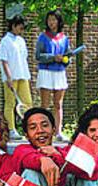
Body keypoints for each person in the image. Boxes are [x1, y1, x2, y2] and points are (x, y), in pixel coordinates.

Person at [35, 10, 71, 142]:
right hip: (46, 72)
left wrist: (65, 59)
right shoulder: (42, 37)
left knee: (58, 104)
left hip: (60, 73)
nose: (51, 22)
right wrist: (53, 57)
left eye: (54, 20)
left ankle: (58, 131)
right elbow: (38, 56)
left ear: (58, 21)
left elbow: (68, 57)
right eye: (49, 20)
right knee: (45, 104)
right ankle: (43, 131)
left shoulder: (64, 38)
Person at [0, 14, 33, 140]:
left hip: (23, 76)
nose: (21, 31)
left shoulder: (21, 41)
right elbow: (4, 61)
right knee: (10, 103)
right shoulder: (5, 41)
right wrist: (9, 78)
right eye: (20, 28)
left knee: (27, 103)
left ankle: (29, 128)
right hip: (11, 78)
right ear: (13, 26)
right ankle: (11, 129)